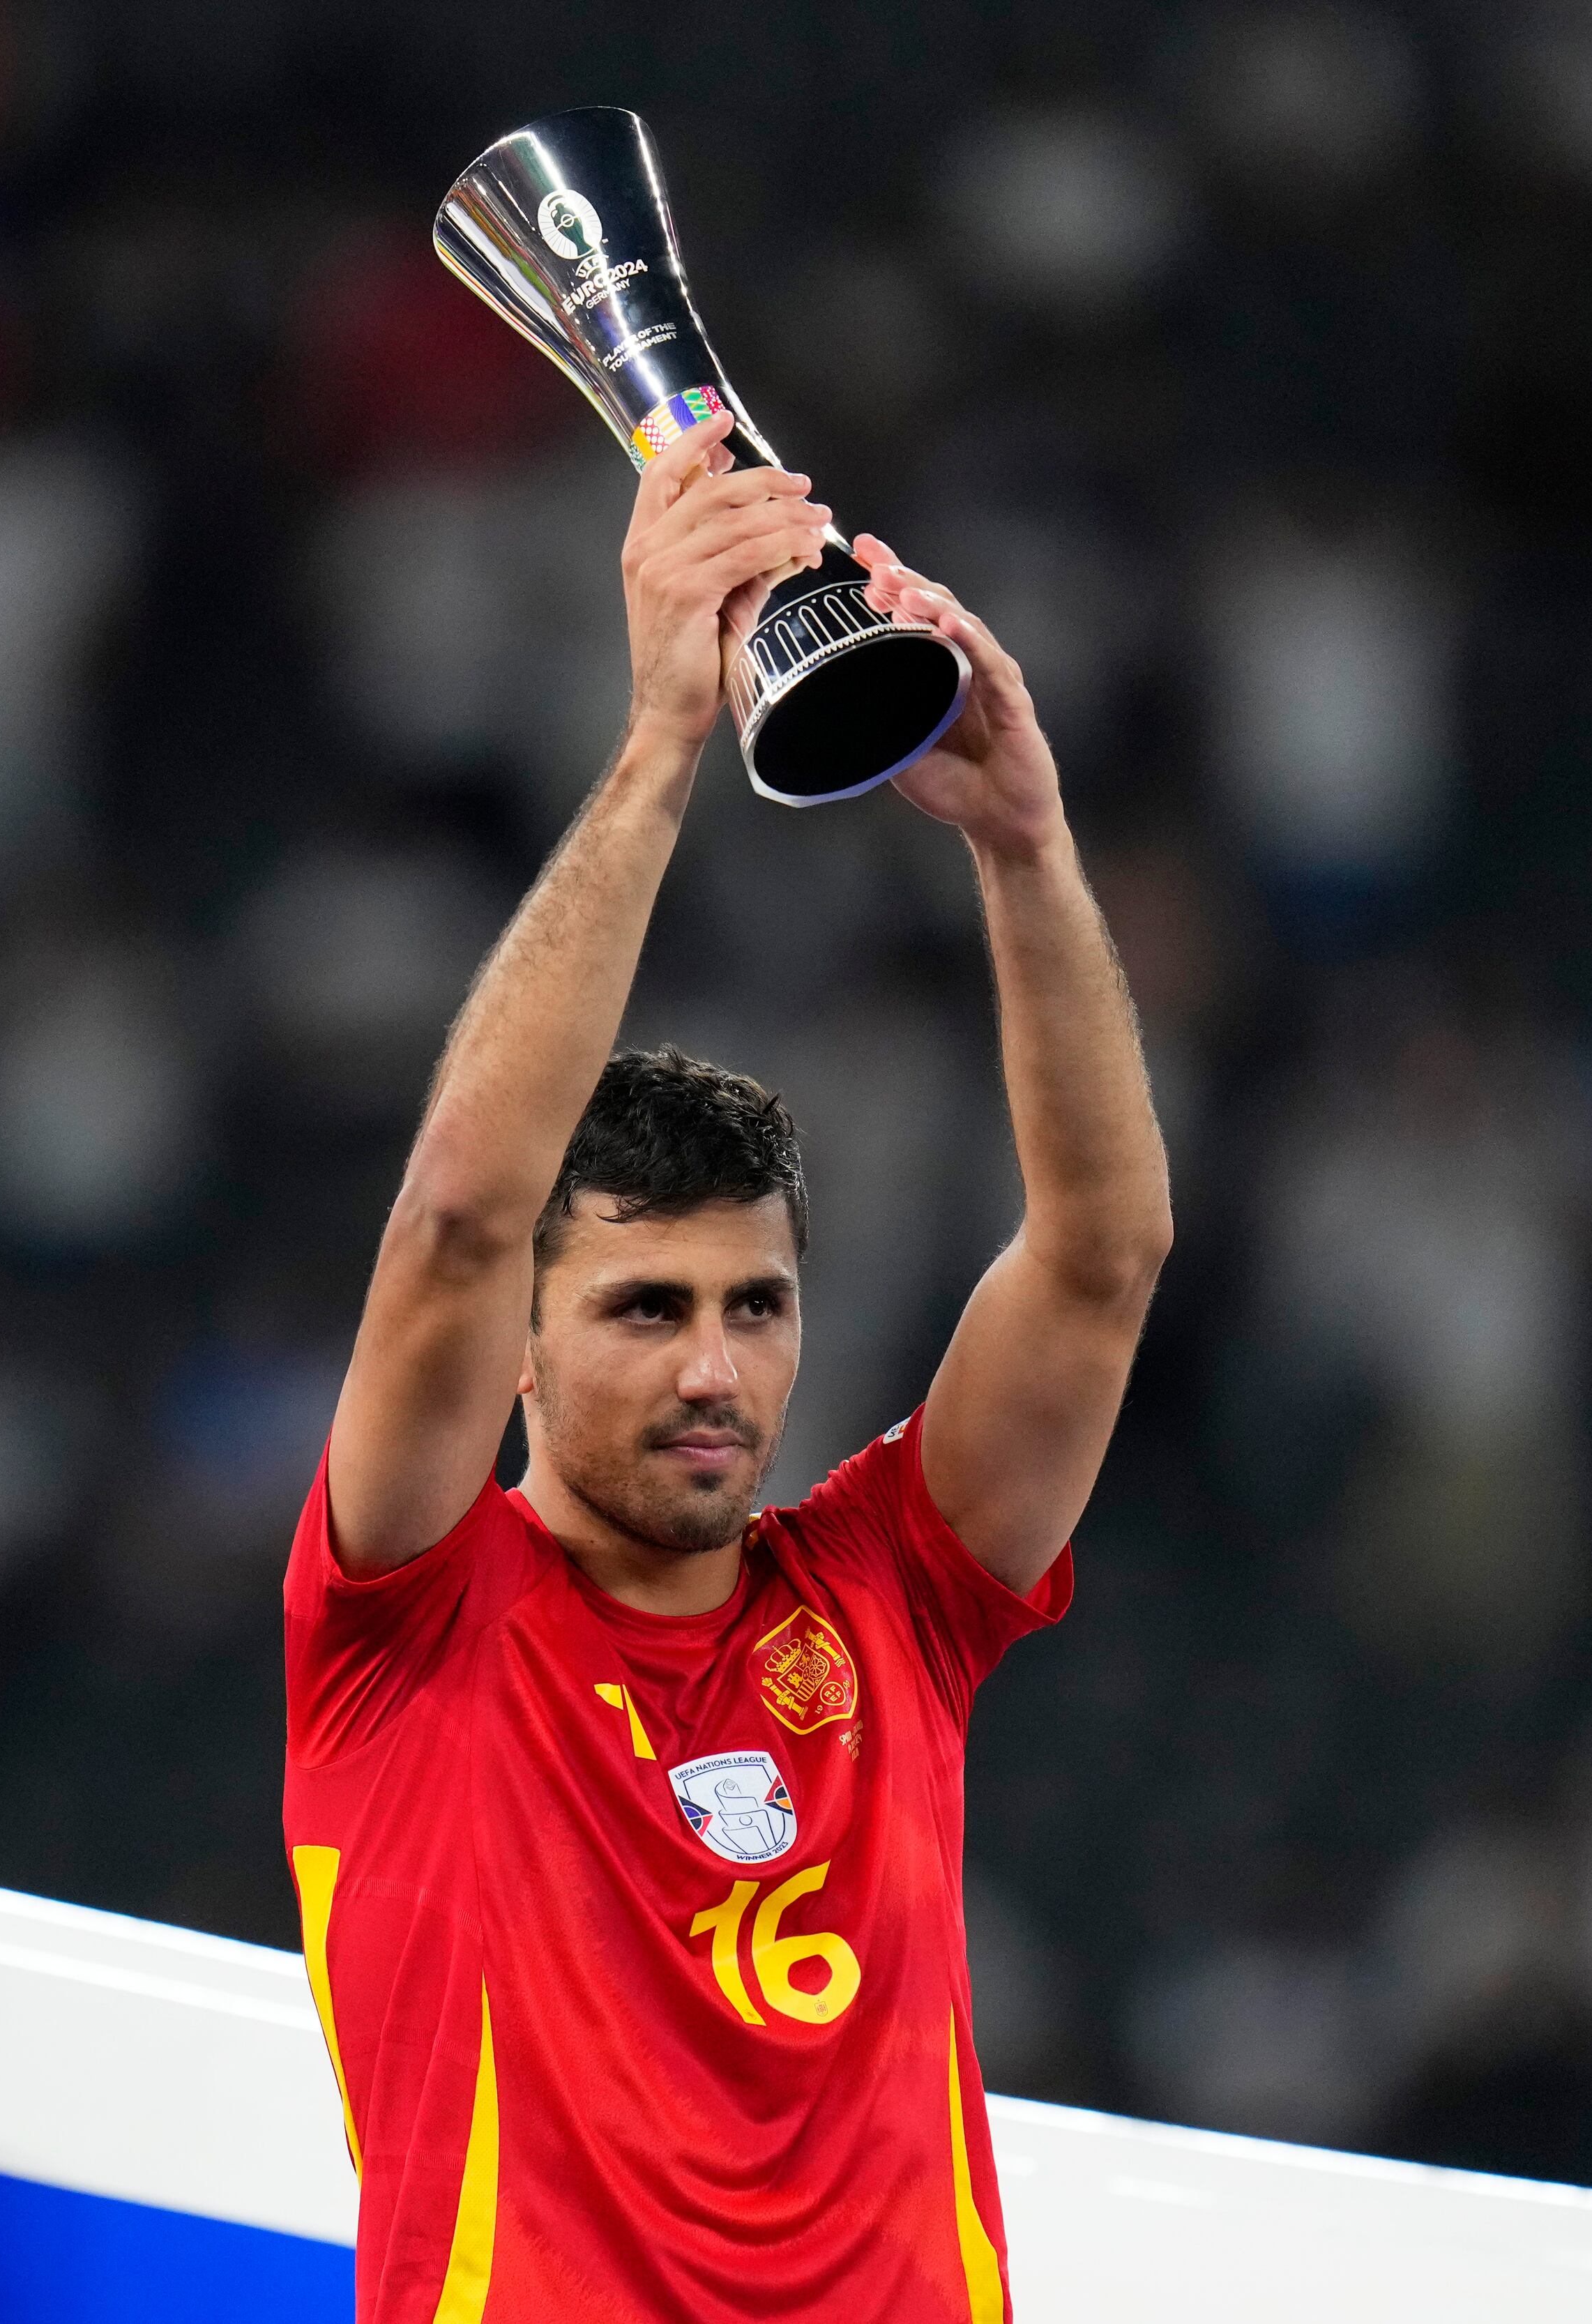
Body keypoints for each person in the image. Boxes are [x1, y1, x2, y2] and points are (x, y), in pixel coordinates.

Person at [282, 403, 1173, 2323]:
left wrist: (1025, 841)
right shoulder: (409, 1616)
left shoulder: (891, 1593)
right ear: (515, 1353)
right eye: (641, 1306)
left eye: (754, 1305)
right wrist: (663, 741)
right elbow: (452, 1216)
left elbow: (1101, 1260)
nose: (714, 1366)